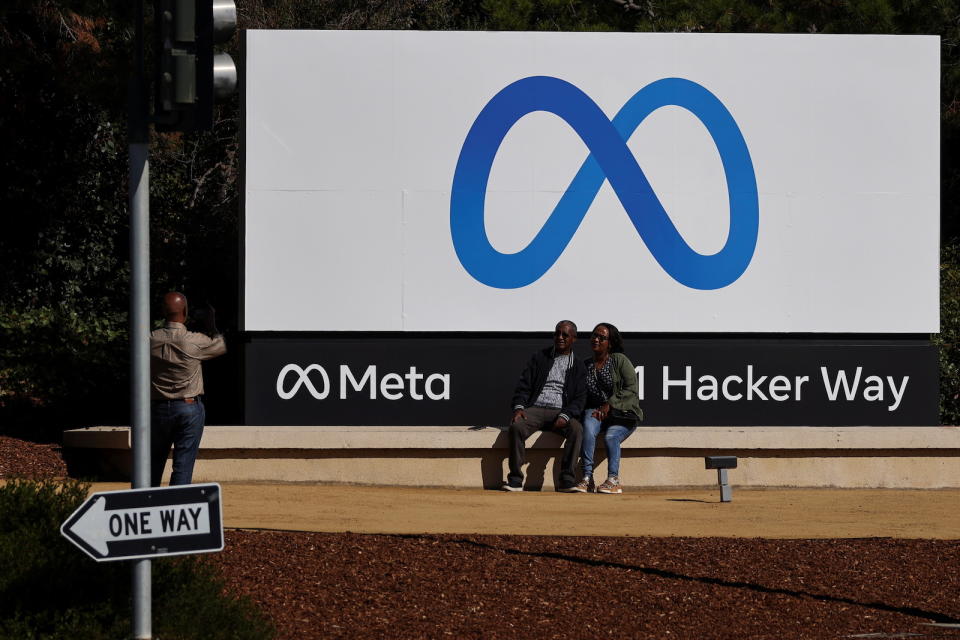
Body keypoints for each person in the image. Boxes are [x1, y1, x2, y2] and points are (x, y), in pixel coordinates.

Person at [150, 291, 226, 486]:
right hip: (189, 408)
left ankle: (146, 508)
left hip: (157, 410)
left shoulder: (150, 339)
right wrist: (211, 324)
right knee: (182, 468)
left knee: (151, 467)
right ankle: (175, 510)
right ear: (184, 312)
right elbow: (221, 345)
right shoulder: (195, 341)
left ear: (162, 311)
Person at [504, 320, 587, 492]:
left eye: (565, 335)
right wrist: (519, 408)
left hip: (560, 411)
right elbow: (524, 385)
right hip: (536, 408)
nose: (560, 337)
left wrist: (565, 415)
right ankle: (515, 480)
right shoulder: (540, 357)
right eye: (557, 333)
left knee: (577, 429)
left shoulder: (578, 366)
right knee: (516, 426)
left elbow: (580, 399)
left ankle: (567, 481)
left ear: (574, 339)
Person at [574, 322, 642, 494]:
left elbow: (631, 388)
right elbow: (581, 394)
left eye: (601, 337)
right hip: (596, 411)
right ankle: (586, 478)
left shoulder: (619, 360)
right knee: (588, 428)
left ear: (610, 343)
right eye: (594, 336)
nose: (596, 339)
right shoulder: (586, 364)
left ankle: (613, 480)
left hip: (622, 413)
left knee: (611, 436)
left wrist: (609, 404)